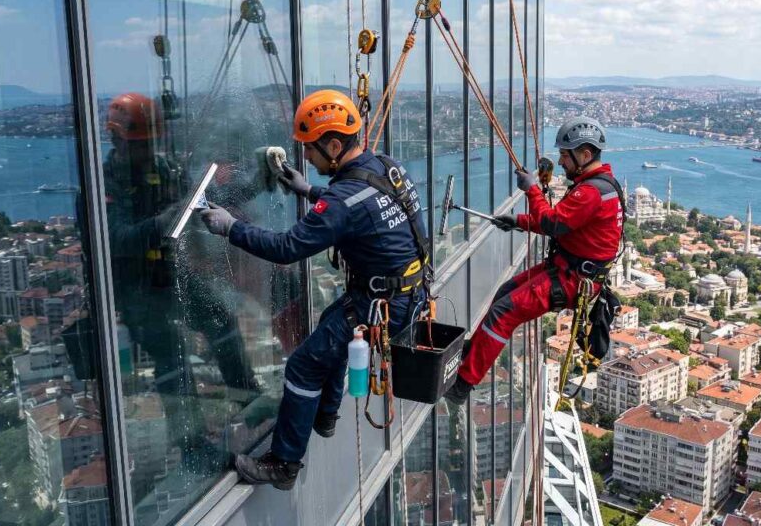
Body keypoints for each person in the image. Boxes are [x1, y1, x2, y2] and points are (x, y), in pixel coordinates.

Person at [199, 89, 430, 490]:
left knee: (303, 365)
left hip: (382, 305)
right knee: (330, 324)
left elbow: (287, 248)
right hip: (407, 294)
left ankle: (283, 464)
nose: (306, 155)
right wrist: (309, 191)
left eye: (310, 147)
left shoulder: (344, 199)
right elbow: (360, 202)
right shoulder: (386, 166)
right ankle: (325, 413)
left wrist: (231, 227)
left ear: (334, 146)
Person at [102, 92, 255, 472]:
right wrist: (162, 222)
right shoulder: (105, 184)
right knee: (171, 357)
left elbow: (205, 199)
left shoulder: (163, 168)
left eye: (150, 143)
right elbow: (116, 240)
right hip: (137, 288)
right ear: (117, 139)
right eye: (140, 145)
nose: (146, 152)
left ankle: (250, 399)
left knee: (221, 321)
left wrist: (257, 184)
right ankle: (191, 445)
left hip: (171, 275)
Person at [442, 116, 624, 405]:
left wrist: (531, 189)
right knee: (504, 293)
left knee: (504, 313)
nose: (561, 162)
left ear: (585, 155)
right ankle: (473, 351)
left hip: (571, 278)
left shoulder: (590, 192)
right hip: (569, 271)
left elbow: (553, 223)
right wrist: (518, 221)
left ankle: (463, 384)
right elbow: (563, 223)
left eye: (565, 155)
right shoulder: (602, 186)